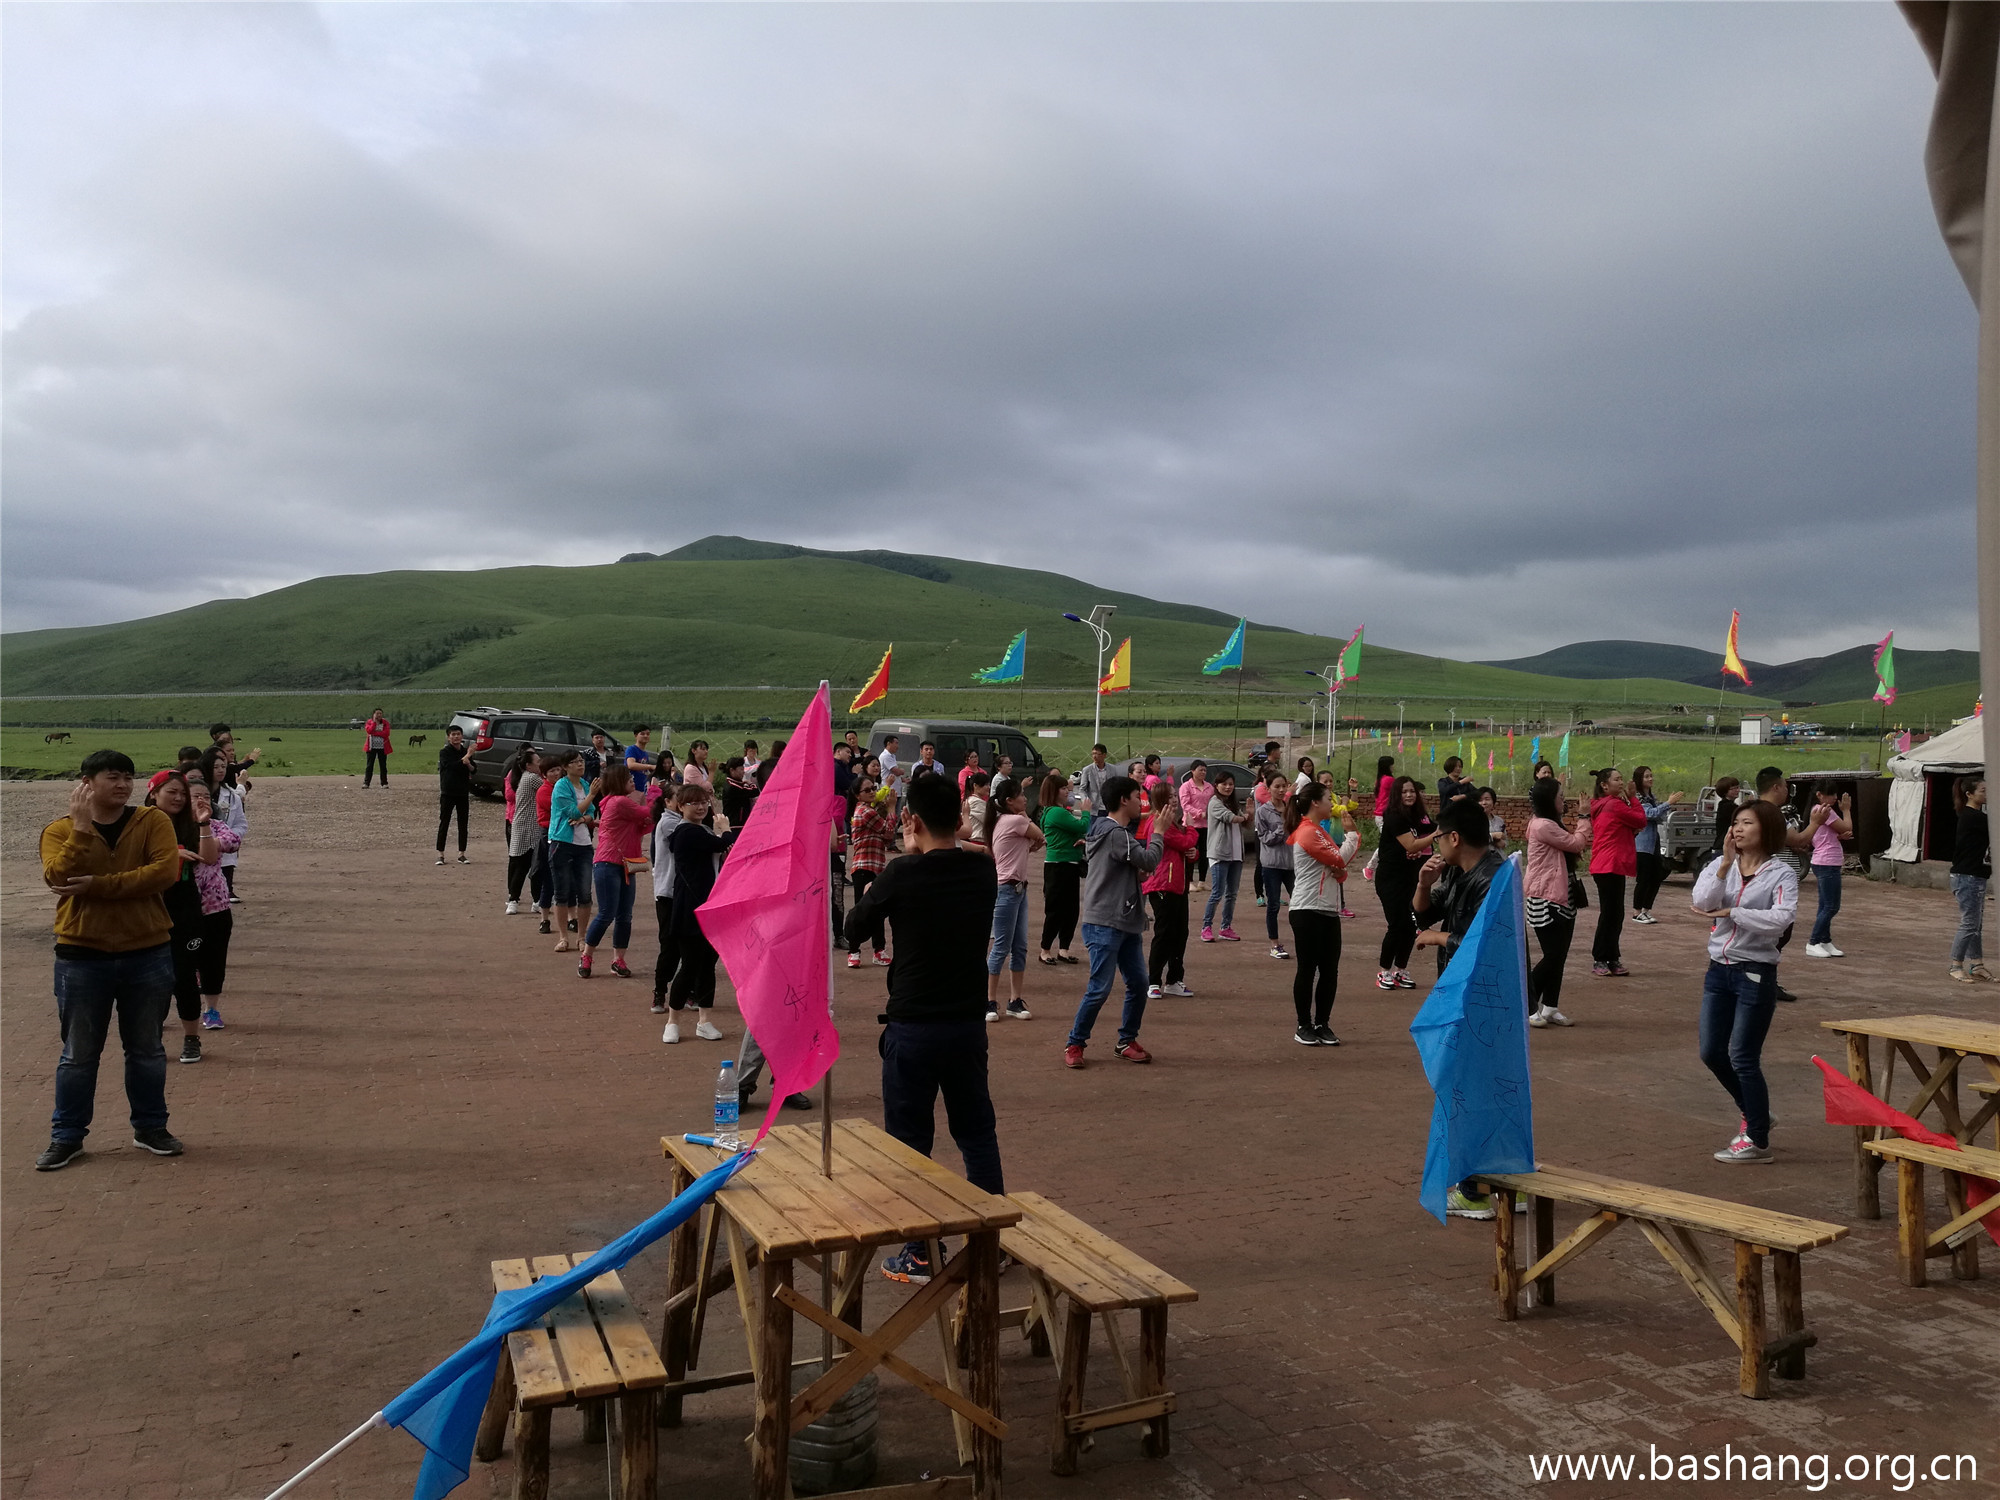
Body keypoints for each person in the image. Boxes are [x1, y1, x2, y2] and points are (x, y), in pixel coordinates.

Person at [843, 772, 1002, 1284]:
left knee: (911, 1142)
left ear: (910, 821)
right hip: (965, 1023)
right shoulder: (983, 872)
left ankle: (918, 1250)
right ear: (959, 818)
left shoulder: (901, 874)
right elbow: (965, 857)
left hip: (913, 1024)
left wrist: (897, 864)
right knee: (976, 1133)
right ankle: (991, 1242)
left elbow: (853, 928)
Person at [36, 750, 185, 1169]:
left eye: (127, 777)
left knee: (147, 1049)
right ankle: (67, 1136)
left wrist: (99, 886)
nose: (122, 785)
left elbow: (164, 872)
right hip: (81, 955)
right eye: (112, 777)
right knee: (79, 1053)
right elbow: (59, 879)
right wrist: (81, 830)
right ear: (87, 783)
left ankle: (151, 1127)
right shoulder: (58, 830)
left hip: (147, 950)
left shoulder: (152, 821)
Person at [1413, 798, 1510, 1217]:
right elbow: (1424, 914)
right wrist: (1422, 883)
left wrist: (1438, 938)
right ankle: (1506, 1180)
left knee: (1471, 1086)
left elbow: (1484, 946)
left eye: (1438, 834)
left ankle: (1476, 1190)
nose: (1434, 842)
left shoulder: (1495, 878)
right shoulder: (1456, 871)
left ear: (1455, 837)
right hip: (1460, 992)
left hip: (1486, 997)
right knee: (1481, 1084)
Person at [1691, 799, 1798, 1164]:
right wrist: (1723, 865)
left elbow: (1780, 919)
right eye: (1735, 823)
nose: (1737, 829)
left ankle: (1757, 1140)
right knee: (1710, 1051)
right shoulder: (1723, 865)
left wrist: (1734, 912)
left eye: (1747, 823)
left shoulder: (1781, 873)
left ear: (1765, 830)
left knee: (1742, 1056)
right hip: (1718, 969)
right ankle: (1756, 1113)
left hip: (1755, 972)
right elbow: (1703, 901)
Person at [1065, 776, 1164, 1067]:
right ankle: (1075, 1043)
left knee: (1138, 982)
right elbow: (1148, 860)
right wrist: (1158, 831)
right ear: (1123, 799)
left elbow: (1130, 868)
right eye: (1137, 796)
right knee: (1100, 987)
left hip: (1122, 919)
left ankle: (1126, 1040)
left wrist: (1135, 874)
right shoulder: (1115, 833)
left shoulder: (1109, 831)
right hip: (1106, 922)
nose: (1140, 802)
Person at [147, 770, 218, 1064]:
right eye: (171, 792)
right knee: (150, 979)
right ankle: (151, 1040)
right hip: (149, 907)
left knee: (184, 975)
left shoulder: (190, 822)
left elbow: (210, 858)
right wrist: (171, 856)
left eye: (182, 793)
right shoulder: (140, 823)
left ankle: (191, 1038)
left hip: (185, 909)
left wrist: (203, 824)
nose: (178, 798)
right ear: (153, 794)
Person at [1287, 782, 1361, 1046]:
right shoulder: (1307, 831)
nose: (1333, 803)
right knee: (1308, 969)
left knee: (1330, 971)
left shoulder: (1319, 831)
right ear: (1315, 803)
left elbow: (1338, 870)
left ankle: (1322, 1024)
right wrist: (1352, 836)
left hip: (1327, 909)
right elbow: (1339, 861)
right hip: (1307, 909)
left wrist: (1339, 868)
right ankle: (1303, 1025)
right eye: (1329, 798)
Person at [666, 784, 739, 1035]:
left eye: (704, 802)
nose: (700, 807)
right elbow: (722, 844)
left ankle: (704, 1021)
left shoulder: (701, 830)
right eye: (693, 803)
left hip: (709, 906)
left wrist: (721, 834)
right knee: (689, 965)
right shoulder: (686, 832)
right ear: (680, 806)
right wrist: (725, 829)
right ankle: (672, 1021)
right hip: (690, 908)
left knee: (707, 965)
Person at [1523, 776, 1589, 1028]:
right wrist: (1584, 817)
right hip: (1545, 896)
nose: (1564, 799)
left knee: (1559, 955)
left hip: (1562, 894)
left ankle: (1550, 1006)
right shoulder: (1542, 825)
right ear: (1548, 800)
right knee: (1552, 955)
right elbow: (1575, 843)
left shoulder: (1549, 822)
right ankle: (1527, 1003)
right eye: (1560, 796)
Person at [183, 763, 239, 1035]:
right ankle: (182, 1010)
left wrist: (204, 826)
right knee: (180, 963)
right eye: (194, 796)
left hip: (215, 905)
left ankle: (211, 1009)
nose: (201, 800)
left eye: (205, 796)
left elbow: (221, 848)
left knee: (213, 960)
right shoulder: (165, 828)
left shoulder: (217, 826)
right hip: (180, 906)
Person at [983, 779, 1044, 1021]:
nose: (1025, 798)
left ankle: (1014, 1001)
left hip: (1017, 890)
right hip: (1007, 890)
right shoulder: (1016, 820)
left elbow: (1034, 841)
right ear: (1009, 801)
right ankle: (990, 1001)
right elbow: (1040, 836)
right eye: (1021, 795)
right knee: (1002, 947)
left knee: (1018, 947)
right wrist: (1025, 818)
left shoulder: (1002, 821)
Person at [580, 762, 646, 980]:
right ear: (618, 781)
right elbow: (647, 813)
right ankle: (587, 955)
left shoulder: (619, 803)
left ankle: (617, 960)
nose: (632, 780)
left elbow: (644, 823)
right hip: (609, 863)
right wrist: (658, 796)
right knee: (609, 913)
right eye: (628, 777)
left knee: (624, 915)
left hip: (625, 863)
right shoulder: (619, 802)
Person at [1755, 766, 1813, 1001]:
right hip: (1772, 879)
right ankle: (1764, 982)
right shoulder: (1773, 814)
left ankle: (1764, 981)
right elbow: (1799, 838)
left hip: (1762, 877)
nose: (1787, 792)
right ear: (1776, 787)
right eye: (1786, 787)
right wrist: (1817, 822)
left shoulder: (1751, 810)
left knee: (1773, 934)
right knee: (1778, 933)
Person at [1374, 776, 1435, 990]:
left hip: (1410, 878)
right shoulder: (1393, 816)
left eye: (1412, 791)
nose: (1409, 795)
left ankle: (1400, 969)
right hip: (1390, 879)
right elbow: (1412, 845)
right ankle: (1384, 971)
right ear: (1397, 795)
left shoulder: (1418, 816)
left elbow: (1435, 828)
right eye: (1404, 792)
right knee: (1396, 925)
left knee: (1410, 926)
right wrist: (1437, 834)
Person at [1584, 767, 1646, 977]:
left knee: (1614, 914)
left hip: (1609, 865)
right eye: (1617, 779)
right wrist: (1633, 798)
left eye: (1621, 779)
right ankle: (1601, 958)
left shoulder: (1604, 805)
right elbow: (1640, 820)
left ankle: (1611, 957)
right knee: (1611, 914)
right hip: (1608, 865)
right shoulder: (1613, 805)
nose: (1621, 782)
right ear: (1604, 785)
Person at [1140, 785, 1199, 999]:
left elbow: (1187, 850)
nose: (1175, 800)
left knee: (1180, 933)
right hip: (1163, 884)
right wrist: (1191, 828)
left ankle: (1174, 979)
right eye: (1170, 796)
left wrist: (1193, 853)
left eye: (1175, 796)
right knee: (1164, 933)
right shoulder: (1158, 823)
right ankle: (1153, 981)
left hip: (1178, 885)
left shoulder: (1172, 823)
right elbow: (1184, 842)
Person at [1036, 770, 1088, 966]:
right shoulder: (1055, 812)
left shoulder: (1059, 811)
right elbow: (1082, 826)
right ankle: (1045, 949)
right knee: (1056, 910)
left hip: (1069, 864)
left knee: (1071, 909)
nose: (1068, 791)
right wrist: (1086, 812)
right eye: (1064, 788)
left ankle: (1063, 949)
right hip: (1058, 866)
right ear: (1054, 791)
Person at [547, 751, 597, 952]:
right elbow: (573, 812)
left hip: (583, 844)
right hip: (562, 842)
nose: (580, 765)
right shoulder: (561, 786)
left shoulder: (584, 785)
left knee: (584, 892)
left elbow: (590, 813)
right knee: (562, 891)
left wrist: (584, 819)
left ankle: (582, 936)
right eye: (575, 762)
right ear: (565, 767)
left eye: (581, 761)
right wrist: (591, 797)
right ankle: (563, 937)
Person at [1629, 766, 1686, 924]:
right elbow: (1648, 814)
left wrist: (1665, 807)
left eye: (1651, 776)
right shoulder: (1638, 798)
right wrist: (1668, 803)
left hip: (1654, 842)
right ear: (1639, 779)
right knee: (1644, 878)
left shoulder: (1651, 797)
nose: (1650, 779)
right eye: (1646, 776)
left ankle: (1646, 910)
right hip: (1642, 844)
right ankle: (1636, 912)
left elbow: (1659, 816)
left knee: (1656, 876)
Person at [847, 778, 894, 968]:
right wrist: (891, 809)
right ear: (858, 795)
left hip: (872, 866)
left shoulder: (867, 810)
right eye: (868, 790)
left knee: (872, 910)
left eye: (873, 788)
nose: (872, 792)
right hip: (865, 866)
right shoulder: (865, 811)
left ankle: (870, 950)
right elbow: (889, 831)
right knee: (864, 911)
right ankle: (857, 950)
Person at [1949, 776, 1991, 982]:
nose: (1987, 793)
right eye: (1983, 790)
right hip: (1967, 877)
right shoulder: (1973, 817)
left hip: (1975, 876)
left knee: (1976, 925)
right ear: (1969, 794)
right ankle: (1955, 965)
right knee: (1969, 924)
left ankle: (1977, 964)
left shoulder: (1976, 816)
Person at [1804, 788, 1854, 958]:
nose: (1835, 798)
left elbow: (1823, 836)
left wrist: (1839, 837)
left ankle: (1824, 940)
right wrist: (1846, 810)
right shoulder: (1824, 810)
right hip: (1827, 861)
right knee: (1832, 906)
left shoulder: (1815, 810)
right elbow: (1847, 826)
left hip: (1824, 860)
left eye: (1835, 794)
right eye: (1831, 794)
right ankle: (1813, 941)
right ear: (1819, 794)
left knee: (1824, 905)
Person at [1199, 772, 1249, 941]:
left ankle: (1225, 927)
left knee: (1232, 894)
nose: (1228, 787)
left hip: (1236, 855)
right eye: (1224, 784)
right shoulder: (1214, 803)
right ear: (1216, 785)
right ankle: (1206, 927)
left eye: (1231, 784)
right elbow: (1231, 818)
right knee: (1217, 893)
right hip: (1220, 854)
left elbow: (1246, 822)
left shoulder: (1233, 803)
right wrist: (1244, 816)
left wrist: (1249, 814)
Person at [650, 786, 685, 1016]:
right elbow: (685, 842)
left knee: (686, 944)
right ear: (668, 802)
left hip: (682, 892)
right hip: (667, 893)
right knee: (669, 945)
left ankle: (687, 991)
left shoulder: (683, 822)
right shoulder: (669, 823)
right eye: (680, 800)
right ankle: (660, 991)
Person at [1254, 770, 1295, 958]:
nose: (1280, 790)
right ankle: (1275, 944)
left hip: (1291, 863)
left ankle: (1303, 940)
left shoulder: (1291, 808)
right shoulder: (1262, 811)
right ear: (1268, 788)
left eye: (1283, 786)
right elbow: (1265, 838)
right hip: (1271, 864)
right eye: (1276, 786)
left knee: (1299, 903)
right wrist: (1281, 828)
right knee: (1273, 905)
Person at [504, 752, 544, 916]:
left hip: (528, 826)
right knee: (525, 865)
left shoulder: (526, 777)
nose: (540, 764)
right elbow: (551, 790)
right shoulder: (531, 778)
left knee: (529, 866)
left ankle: (532, 900)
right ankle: (516, 900)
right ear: (528, 765)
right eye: (538, 761)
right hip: (525, 828)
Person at [435, 725, 474, 865]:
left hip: (462, 792)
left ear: (462, 736)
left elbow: (473, 769)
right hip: (448, 791)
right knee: (444, 822)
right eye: (453, 734)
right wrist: (467, 757)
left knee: (463, 823)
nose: (456, 737)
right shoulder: (445, 752)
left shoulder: (464, 751)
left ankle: (461, 853)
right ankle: (440, 854)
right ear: (448, 737)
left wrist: (469, 763)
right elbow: (451, 766)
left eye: (458, 734)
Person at [1179, 760, 1215, 890]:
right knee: (1190, 853)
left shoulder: (1209, 787)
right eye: (1200, 770)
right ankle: (1188, 881)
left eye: (1205, 770)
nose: (1203, 773)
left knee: (1205, 852)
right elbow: (1185, 805)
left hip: (1206, 825)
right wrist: (1200, 814)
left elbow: (1212, 802)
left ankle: (1202, 880)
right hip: (1191, 825)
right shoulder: (1186, 787)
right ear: (1192, 771)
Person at [1074, 744, 1115, 814]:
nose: (1094, 757)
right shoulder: (1087, 770)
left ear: (1104, 755)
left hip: (1108, 807)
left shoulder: (1112, 769)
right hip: (1094, 808)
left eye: (1097, 754)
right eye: (1093, 754)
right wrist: (1086, 801)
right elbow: (1082, 789)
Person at [1710, 776, 1743, 859]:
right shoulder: (1727, 806)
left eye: (1738, 787)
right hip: (1724, 847)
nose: (1738, 790)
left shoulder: (1727, 805)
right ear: (1725, 792)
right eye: (1734, 788)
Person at [958, 770, 992, 851]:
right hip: (978, 842)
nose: (989, 787)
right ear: (975, 786)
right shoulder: (975, 802)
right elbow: (990, 821)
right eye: (986, 784)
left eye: (989, 784)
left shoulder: (972, 800)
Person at [362, 709, 393, 786]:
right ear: (373, 714)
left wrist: (375, 733)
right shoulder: (369, 722)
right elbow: (369, 731)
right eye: (377, 713)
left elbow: (386, 733)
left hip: (382, 747)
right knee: (369, 765)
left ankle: (384, 783)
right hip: (371, 746)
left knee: (383, 765)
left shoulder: (385, 723)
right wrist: (374, 723)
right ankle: (366, 783)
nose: (379, 715)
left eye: (380, 713)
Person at [625, 727, 657, 794]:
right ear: (636, 736)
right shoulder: (631, 749)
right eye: (642, 734)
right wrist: (650, 766)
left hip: (642, 788)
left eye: (648, 734)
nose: (645, 736)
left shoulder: (645, 753)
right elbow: (631, 765)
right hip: (633, 788)